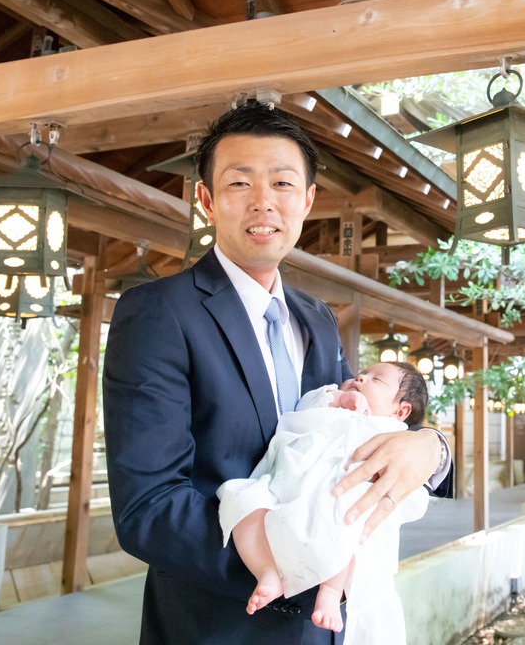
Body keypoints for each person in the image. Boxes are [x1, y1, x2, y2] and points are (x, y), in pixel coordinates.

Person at [103, 103, 452, 645]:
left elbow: (357, 429)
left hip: (329, 628)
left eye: (283, 183)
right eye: (239, 182)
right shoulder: (158, 312)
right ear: (207, 200)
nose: (263, 201)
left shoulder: (316, 319)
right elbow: (148, 506)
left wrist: (432, 446)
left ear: (307, 200)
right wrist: (293, 561)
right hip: (218, 626)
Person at [219, 361, 430, 643]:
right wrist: (339, 398)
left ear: (400, 411)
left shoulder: (391, 432)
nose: (362, 378)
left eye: (376, 380)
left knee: (349, 532)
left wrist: (432, 445)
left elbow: (410, 470)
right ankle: (267, 570)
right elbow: (306, 406)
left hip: (338, 498)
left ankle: (330, 592)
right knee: (242, 502)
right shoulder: (334, 404)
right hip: (287, 486)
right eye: (362, 374)